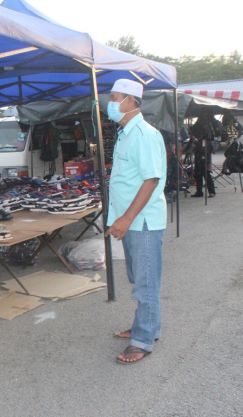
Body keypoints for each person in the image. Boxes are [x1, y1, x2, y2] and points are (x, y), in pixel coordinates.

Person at [105, 79, 167, 365]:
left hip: (141, 221)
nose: (110, 103)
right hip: (130, 220)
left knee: (145, 282)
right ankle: (145, 324)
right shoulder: (126, 132)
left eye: (115, 97)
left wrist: (127, 218)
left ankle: (143, 339)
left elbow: (151, 179)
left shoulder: (143, 134)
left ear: (131, 101)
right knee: (138, 278)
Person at [190, 110, 216, 197]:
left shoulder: (202, 126)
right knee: (202, 172)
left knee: (203, 172)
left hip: (202, 151)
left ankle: (205, 191)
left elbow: (196, 137)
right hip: (204, 151)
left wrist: (196, 139)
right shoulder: (208, 126)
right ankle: (206, 191)